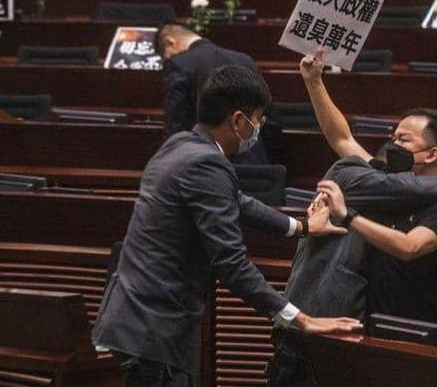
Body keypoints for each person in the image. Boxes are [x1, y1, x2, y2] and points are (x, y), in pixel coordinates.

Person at [92, 65, 362, 387]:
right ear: (238, 121)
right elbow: (231, 264)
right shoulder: (207, 164)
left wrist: (301, 226)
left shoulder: (179, 145)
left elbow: (237, 201)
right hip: (155, 334)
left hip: (131, 322)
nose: (258, 129)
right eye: (258, 120)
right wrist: (299, 318)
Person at [266, 50, 437, 386]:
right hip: (371, 327)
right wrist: (314, 82)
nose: (392, 145)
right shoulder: (384, 182)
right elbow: (342, 138)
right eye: (393, 137)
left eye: (404, 140)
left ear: (431, 154)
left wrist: (350, 217)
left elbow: (410, 247)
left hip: (415, 333)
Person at [158, 23, 279, 164]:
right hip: (253, 162)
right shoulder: (244, 60)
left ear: (170, 42)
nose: (167, 58)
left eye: (165, 55)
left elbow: (176, 121)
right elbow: (269, 115)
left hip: (201, 162)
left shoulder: (179, 63)